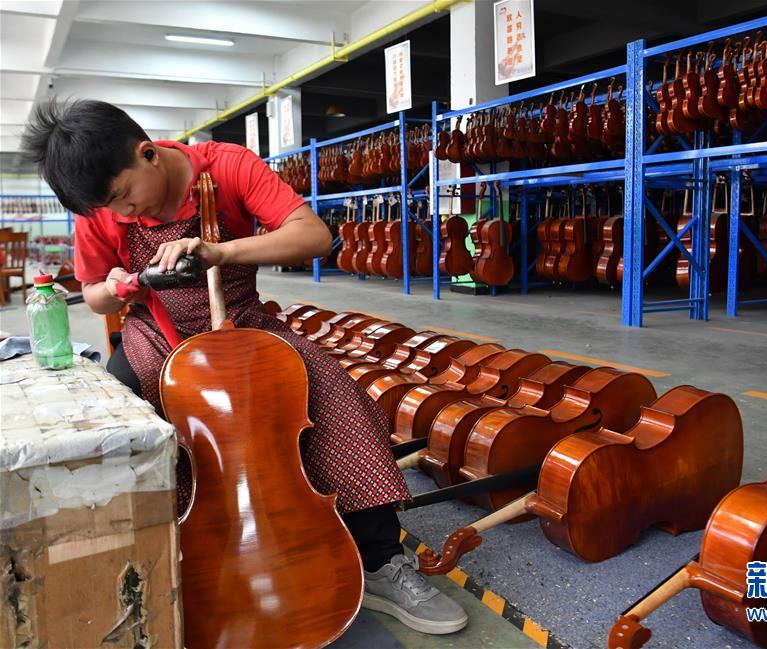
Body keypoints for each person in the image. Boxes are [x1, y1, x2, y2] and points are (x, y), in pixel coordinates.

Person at [22, 99, 467, 636]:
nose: (124, 216)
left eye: (123, 197)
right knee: (121, 432)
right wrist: (115, 288)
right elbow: (92, 294)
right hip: (154, 336)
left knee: (335, 402)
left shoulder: (227, 165)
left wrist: (222, 252)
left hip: (243, 326)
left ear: (148, 154)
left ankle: (379, 563)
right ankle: (156, 567)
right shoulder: (99, 208)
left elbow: (315, 236)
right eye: (109, 209)